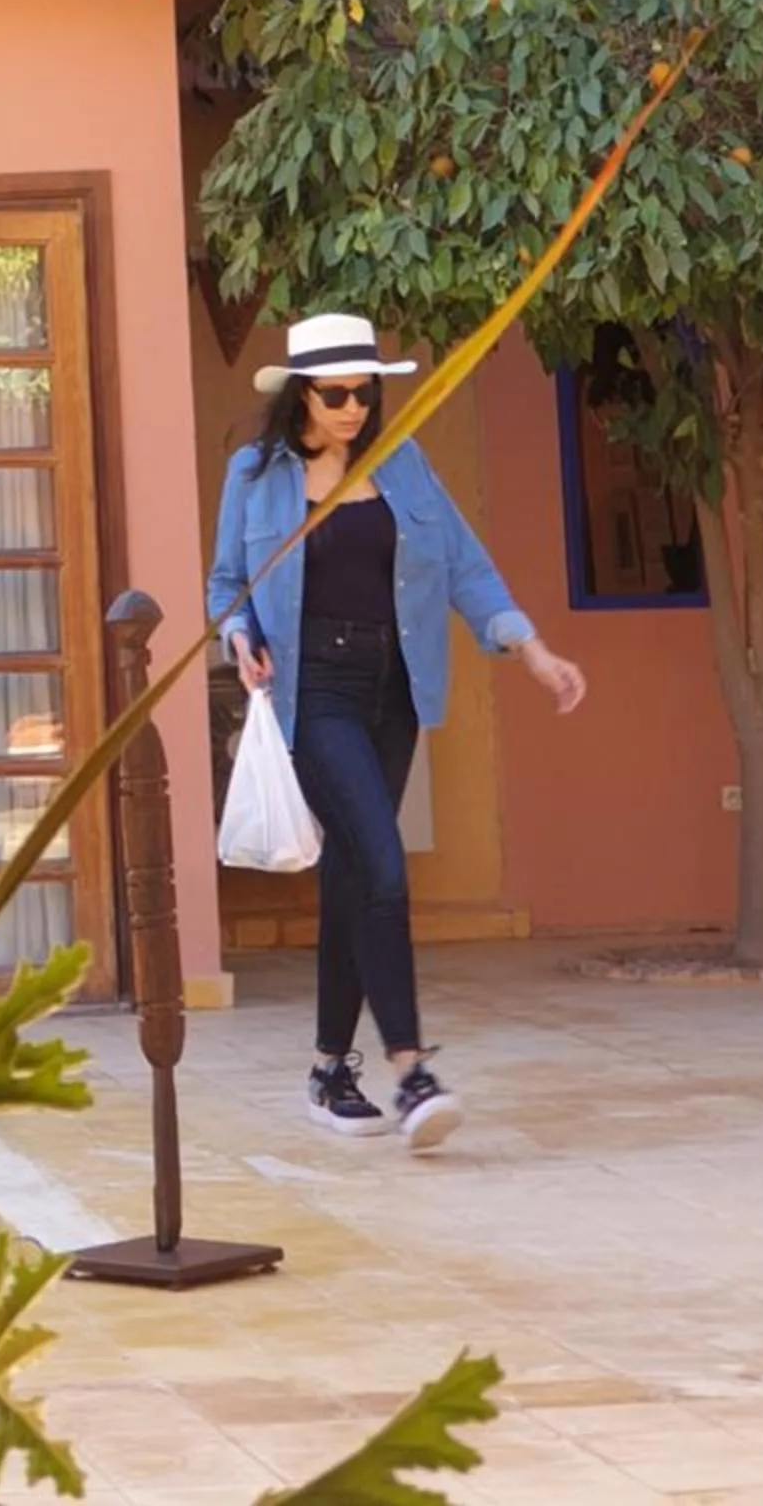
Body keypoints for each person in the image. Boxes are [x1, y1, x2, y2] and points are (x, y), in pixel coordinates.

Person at [205, 312, 586, 1149]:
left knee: (353, 873)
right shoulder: (258, 472)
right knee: (382, 862)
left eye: (364, 392)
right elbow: (227, 582)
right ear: (301, 393)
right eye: (336, 394)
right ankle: (412, 1071)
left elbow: (466, 567)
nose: (353, 408)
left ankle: (328, 1070)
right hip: (315, 691)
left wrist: (532, 650)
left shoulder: (402, 463)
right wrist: (238, 637)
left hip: (394, 690)